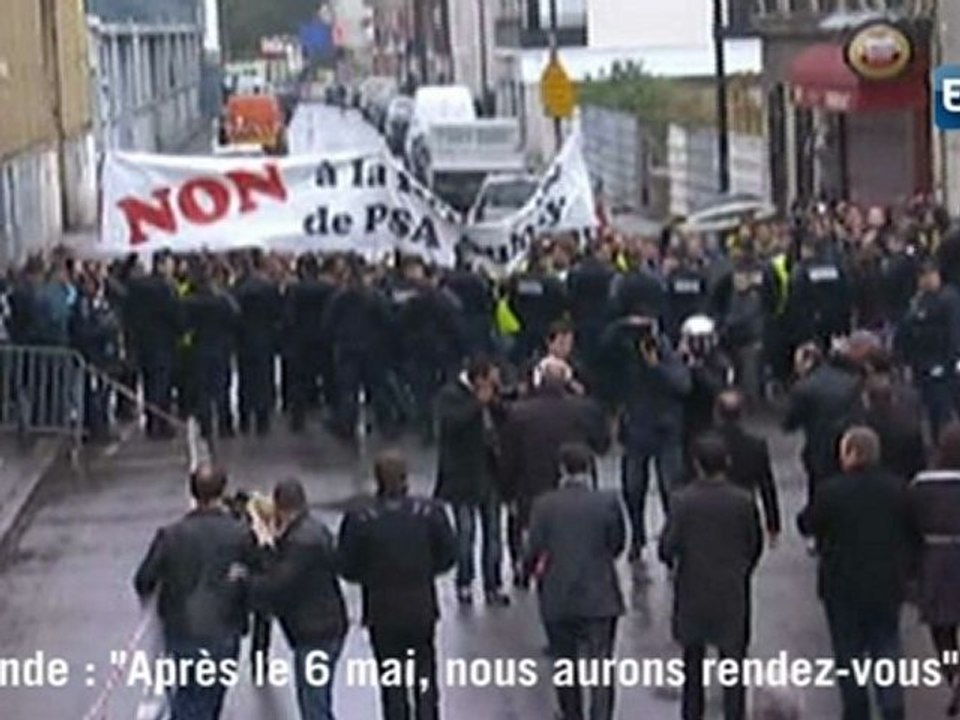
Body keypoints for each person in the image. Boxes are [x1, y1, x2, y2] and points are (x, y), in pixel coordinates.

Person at [802, 427, 913, 720]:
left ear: (850, 453)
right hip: (887, 583)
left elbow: (807, 522)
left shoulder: (830, 491)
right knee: (886, 646)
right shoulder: (898, 488)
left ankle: (856, 709)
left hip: (842, 585)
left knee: (848, 652)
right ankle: (892, 707)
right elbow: (912, 531)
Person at [338, 451, 457, 720]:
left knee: (392, 679)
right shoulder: (430, 512)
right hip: (420, 605)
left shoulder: (360, 517)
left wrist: (369, 576)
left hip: (381, 608)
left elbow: (346, 565)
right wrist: (426, 570)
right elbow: (449, 554)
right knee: (424, 670)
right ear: (406, 478)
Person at [133, 466, 253, 720]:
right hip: (224, 629)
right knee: (211, 696)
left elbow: (143, 580)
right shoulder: (240, 534)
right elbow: (258, 575)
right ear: (222, 491)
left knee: (187, 695)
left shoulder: (170, 535)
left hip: (182, 630)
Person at [659, 433, 763, 720]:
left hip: (693, 589)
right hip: (731, 590)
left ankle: (693, 714)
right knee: (733, 666)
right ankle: (734, 714)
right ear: (726, 463)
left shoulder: (682, 501)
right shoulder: (743, 500)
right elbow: (754, 543)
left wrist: (674, 562)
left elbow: (667, 547)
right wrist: (742, 569)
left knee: (692, 666)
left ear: (696, 464)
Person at [523, 443, 626, 720]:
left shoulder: (544, 504)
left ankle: (572, 714)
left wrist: (529, 574)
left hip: (559, 594)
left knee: (565, 663)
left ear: (562, 469)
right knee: (601, 662)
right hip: (600, 593)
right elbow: (617, 544)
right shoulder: (607, 502)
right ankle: (601, 714)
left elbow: (533, 549)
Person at [501, 360, 610, 584]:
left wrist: (507, 491)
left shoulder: (519, 413)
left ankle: (524, 568)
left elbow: (508, 458)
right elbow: (602, 445)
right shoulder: (585, 409)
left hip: (530, 486)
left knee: (529, 529)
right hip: (576, 483)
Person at [249, 480, 347, 720]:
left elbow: (277, 584)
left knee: (313, 705)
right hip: (326, 625)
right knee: (317, 699)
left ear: (280, 507)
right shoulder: (314, 531)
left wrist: (263, 548)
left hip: (315, 631)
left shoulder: (299, 543)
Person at [603, 311, 691, 565]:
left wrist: (656, 365)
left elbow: (682, 385)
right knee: (633, 487)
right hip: (637, 430)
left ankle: (672, 539)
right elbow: (602, 349)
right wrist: (622, 324)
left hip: (665, 430)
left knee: (669, 487)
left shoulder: (666, 353)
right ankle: (638, 536)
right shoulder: (625, 353)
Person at [434, 357, 511, 606]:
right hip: (462, 476)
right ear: (478, 379)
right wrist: (478, 404)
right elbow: (450, 425)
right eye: (491, 379)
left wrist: (495, 402)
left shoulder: (492, 396)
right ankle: (464, 583)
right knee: (465, 534)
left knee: (493, 534)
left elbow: (506, 419)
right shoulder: (450, 396)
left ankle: (493, 584)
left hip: (490, 474)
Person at [909, 423, 960, 713]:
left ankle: (953, 674)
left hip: (937, 560)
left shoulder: (922, 485)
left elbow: (910, 524)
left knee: (942, 631)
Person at [714, 390, 782, 545]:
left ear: (717, 413)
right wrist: (773, 525)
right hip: (745, 511)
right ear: (742, 414)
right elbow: (767, 486)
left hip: (712, 512)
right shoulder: (755, 446)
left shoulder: (704, 443)